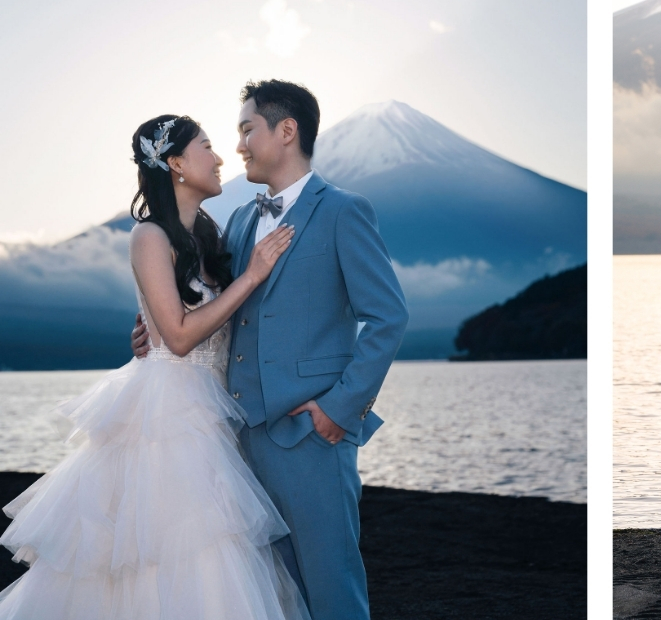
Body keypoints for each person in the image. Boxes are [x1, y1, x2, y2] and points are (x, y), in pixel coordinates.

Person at [0, 115, 309, 619]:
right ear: (177, 164)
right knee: (174, 551)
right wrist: (252, 274)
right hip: (172, 418)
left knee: (217, 547)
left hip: (217, 408)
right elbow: (181, 337)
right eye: (207, 147)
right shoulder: (149, 236)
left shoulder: (208, 234)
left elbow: (200, 319)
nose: (219, 156)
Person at [131, 81, 408, 620]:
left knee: (331, 586)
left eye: (245, 130)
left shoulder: (344, 212)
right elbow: (205, 303)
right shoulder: (237, 221)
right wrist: (149, 329)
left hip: (310, 435)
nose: (237, 147)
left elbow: (388, 316)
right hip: (235, 441)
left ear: (286, 131)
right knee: (272, 595)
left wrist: (341, 410)